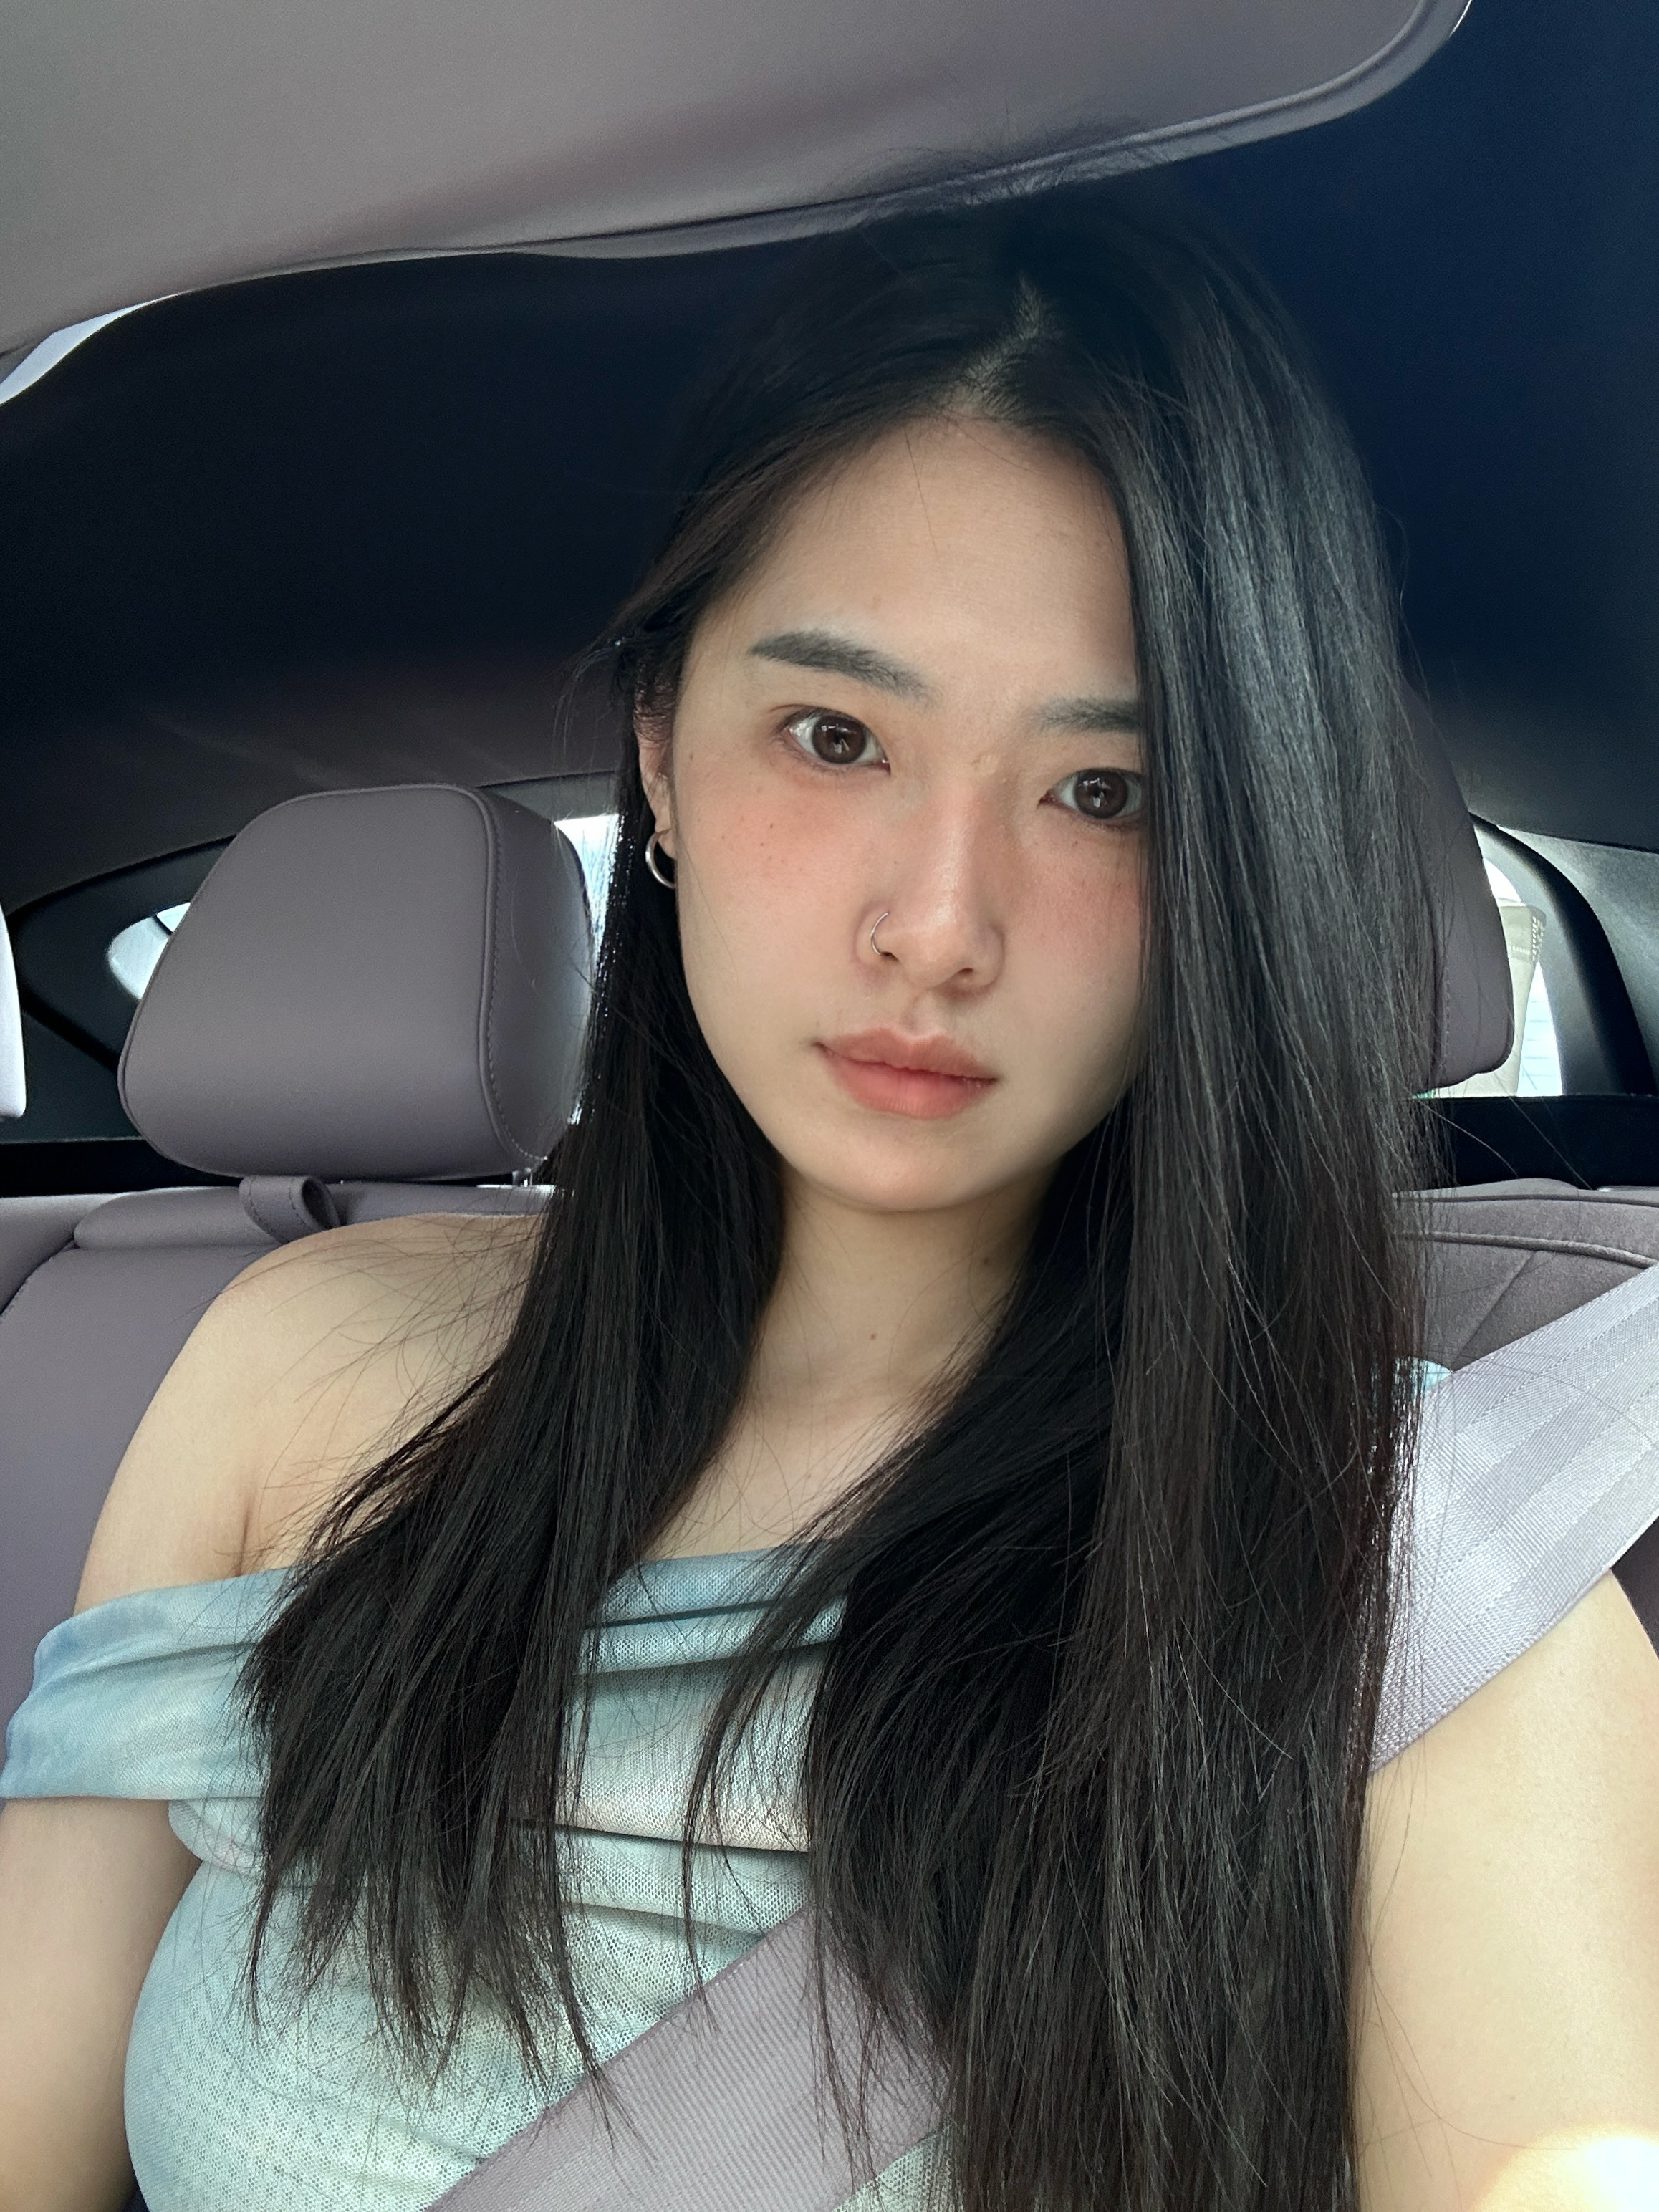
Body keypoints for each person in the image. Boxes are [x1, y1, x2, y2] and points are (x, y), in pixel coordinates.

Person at [4, 187, 1659, 2212]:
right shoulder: (292, 1373)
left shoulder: (1423, 1579)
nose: (939, 925)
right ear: (662, 762)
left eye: (1106, 791)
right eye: (832, 735)